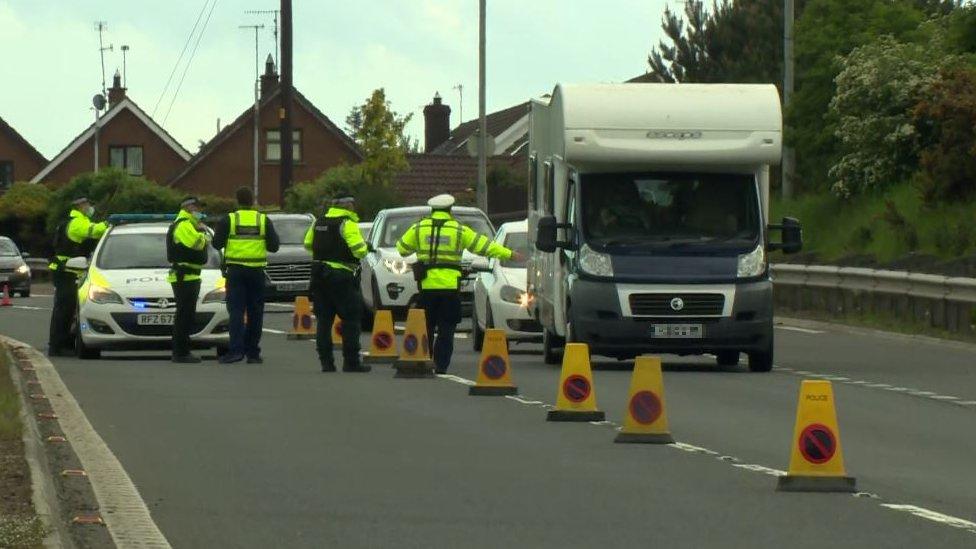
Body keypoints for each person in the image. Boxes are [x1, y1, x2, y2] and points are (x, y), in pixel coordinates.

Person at [396, 194, 521, 374]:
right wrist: (509, 254)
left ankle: (424, 359)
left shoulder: (418, 228)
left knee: (426, 327)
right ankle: (441, 366)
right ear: (450, 210)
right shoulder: (459, 230)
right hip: (449, 289)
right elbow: (484, 246)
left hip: (426, 288)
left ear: (432, 210)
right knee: (447, 329)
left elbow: (401, 249)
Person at [212, 187, 280, 364]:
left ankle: (236, 351)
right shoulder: (263, 219)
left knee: (236, 312)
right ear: (253, 201)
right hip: (256, 272)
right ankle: (253, 353)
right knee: (255, 312)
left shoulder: (230, 219)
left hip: (235, 272)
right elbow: (274, 247)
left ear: (237, 201)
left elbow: (216, 243)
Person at [303, 196, 371, 373]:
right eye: (352, 204)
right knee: (351, 319)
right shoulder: (347, 223)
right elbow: (359, 249)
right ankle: (351, 362)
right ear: (347, 205)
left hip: (319, 274)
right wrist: (365, 248)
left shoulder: (319, 221)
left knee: (324, 320)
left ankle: (326, 363)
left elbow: (307, 243)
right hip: (342, 275)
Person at [47, 197, 109, 357]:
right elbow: (94, 231)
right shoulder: (76, 223)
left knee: (67, 310)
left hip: (67, 270)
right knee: (64, 310)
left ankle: (62, 344)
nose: (90, 207)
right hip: (67, 270)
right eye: (87, 205)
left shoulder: (70, 221)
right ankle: (57, 346)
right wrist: (108, 224)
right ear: (80, 206)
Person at [167, 196, 210, 364]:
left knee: (186, 315)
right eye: (198, 208)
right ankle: (181, 352)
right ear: (189, 207)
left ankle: (182, 351)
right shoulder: (184, 225)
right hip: (184, 276)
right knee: (184, 316)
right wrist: (203, 233)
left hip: (189, 275)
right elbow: (197, 243)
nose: (200, 212)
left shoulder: (188, 224)